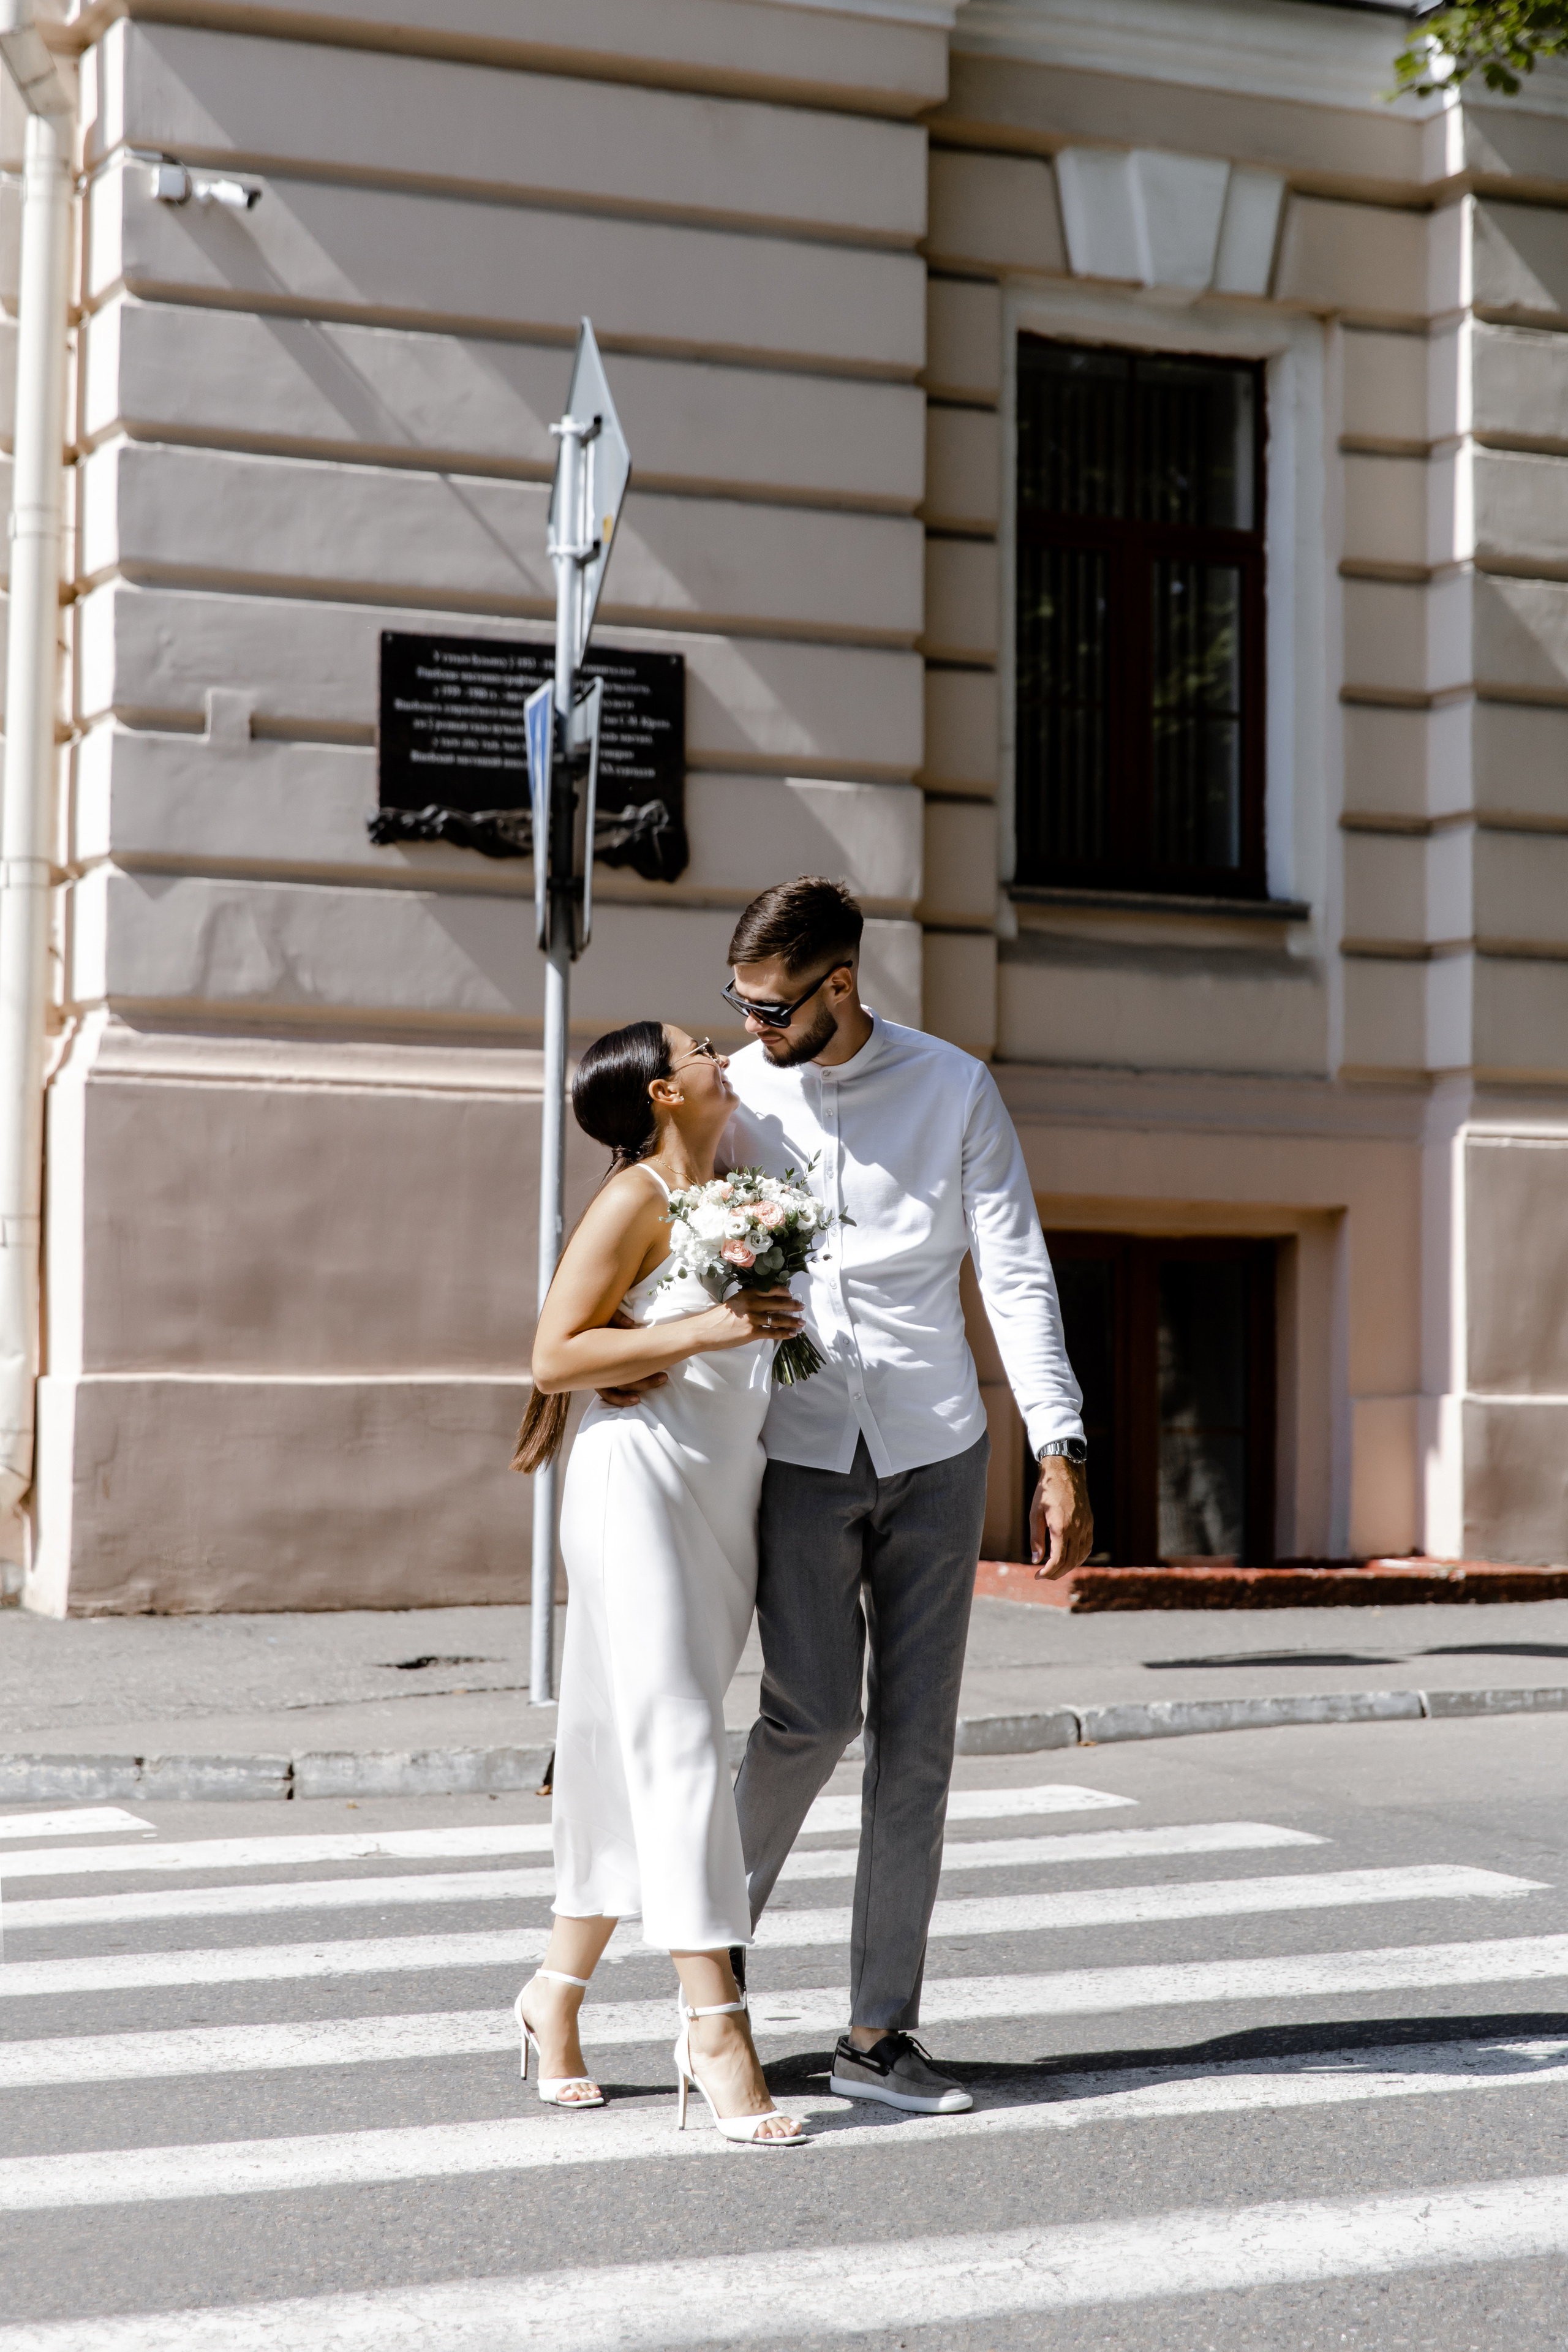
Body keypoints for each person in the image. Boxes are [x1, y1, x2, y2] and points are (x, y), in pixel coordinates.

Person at [604, 877, 1093, 2116]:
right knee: (809, 1719)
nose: (750, 1029)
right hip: (797, 1451)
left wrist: (1058, 1444)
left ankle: (879, 2035)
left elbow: (1016, 1271)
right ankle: (710, 1993)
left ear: (840, 984)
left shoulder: (952, 1086)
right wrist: (633, 1353)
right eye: (739, 1005)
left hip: (936, 1446)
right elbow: (645, 1215)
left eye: (772, 1008)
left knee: (917, 1745)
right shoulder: (732, 1094)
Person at [510, 1019, 809, 2147]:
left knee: (610, 1744)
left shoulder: (736, 1187)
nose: (721, 1052)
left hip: (721, 1493)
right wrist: (707, 1329)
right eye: (698, 1048)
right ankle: (715, 2025)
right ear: (661, 1094)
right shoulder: (635, 1198)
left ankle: (553, 1995)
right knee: (681, 1737)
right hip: (633, 1484)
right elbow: (554, 1356)